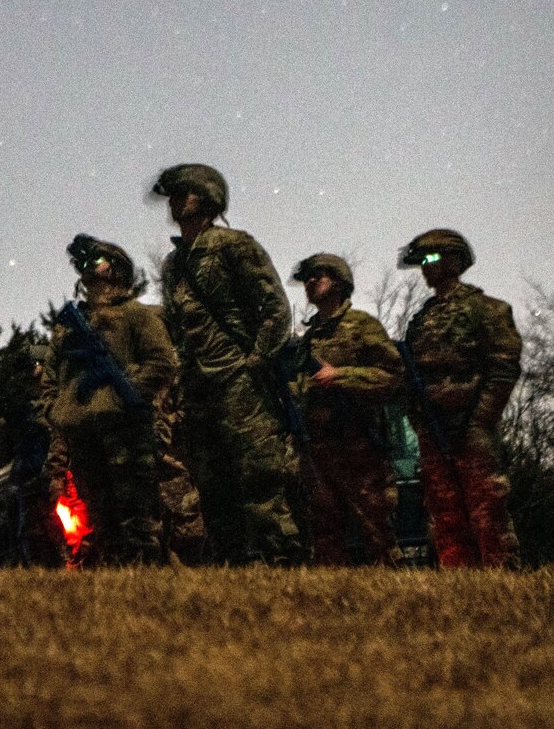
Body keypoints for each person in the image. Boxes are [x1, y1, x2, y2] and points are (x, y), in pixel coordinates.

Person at [154, 164, 302, 566]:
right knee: (212, 487)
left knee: (260, 482)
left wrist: (253, 361)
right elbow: (175, 326)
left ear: (206, 196)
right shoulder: (173, 264)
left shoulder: (234, 245)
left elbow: (275, 308)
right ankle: (234, 575)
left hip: (240, 386)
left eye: (183, 192)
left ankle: (284, 570)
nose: (174, 201)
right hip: (199, 390)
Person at [45, 234, 181, 566]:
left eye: (96, 262)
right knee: (100, 519)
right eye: (83, 265)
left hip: (127, 431)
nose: (88, 271)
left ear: (116, 269)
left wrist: (127, 392)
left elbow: (163, 362)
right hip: (83, 435)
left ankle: (150, 584)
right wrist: (59, 411)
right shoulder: (69, 330)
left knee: (138, 518)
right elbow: (52, 379)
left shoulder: (136, 315)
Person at [397, 230, 523, 569]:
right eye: (421, 261)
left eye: (432, 259)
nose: (425, 267)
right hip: (433, 429)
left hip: (472, 425)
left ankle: (501, 581)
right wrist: (419, 420)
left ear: (455, 260)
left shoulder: (485, 309)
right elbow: (410, 378)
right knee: (444, 509)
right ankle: (460, 582)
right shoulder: (421, 320)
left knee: (487, 506)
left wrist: (481, 420)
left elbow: (503, 367)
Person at [288, 253, 404, 566]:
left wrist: (340, 376)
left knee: (376, 533)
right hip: (318, 450)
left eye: (319, 275)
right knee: (325, 537)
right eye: (307, 278)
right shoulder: (308, 338)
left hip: (360, 449)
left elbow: (392, 375)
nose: (311, 282)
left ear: (339, 282)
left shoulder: (362, 325)